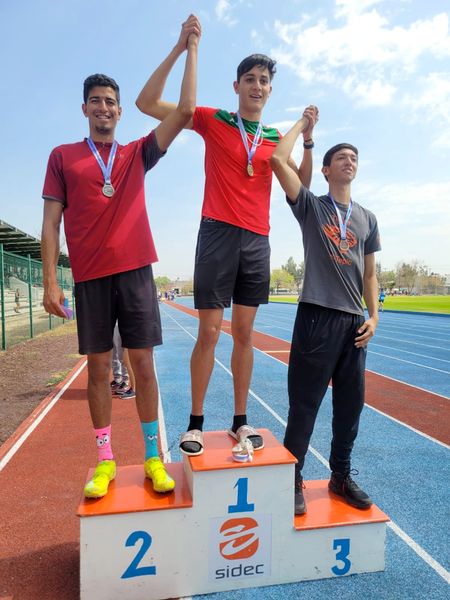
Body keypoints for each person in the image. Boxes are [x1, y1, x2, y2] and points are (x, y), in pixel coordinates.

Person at [136, 17, 314, 456]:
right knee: (210, 333)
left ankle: (240, 421)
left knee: (246, 334)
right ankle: (195, 423)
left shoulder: (275, 138)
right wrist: (183, 47)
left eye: (264, 81)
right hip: (217, 233)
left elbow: (302, 186)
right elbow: (146, 102)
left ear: (270, 90)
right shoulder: (214, 119)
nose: (257, 86)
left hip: (257, 239)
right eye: (250, 79)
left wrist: (307, 142)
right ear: (236, 86)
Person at [41, 17, 200, 498]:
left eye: (112, 101)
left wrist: (184, 48)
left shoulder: (136, 154)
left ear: (118, 111)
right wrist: (51, 281)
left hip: (134, 273)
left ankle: (153, 457)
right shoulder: (63, 156)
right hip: (89, 278)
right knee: (97, 369)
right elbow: (50, 223)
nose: (105, 107)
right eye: (97, 101)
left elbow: (187, 110)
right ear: (85, 108)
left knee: (143, 367)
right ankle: (106, 460)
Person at [270, 110, 381, 515]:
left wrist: (375, 316)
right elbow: (277, 161)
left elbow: (371, 273)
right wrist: (305, 130)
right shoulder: (312, 207)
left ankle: (340, 475)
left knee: (350, 406)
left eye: (354, 157)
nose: (350, 160)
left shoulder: (367, 218)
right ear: (327, 169)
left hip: (355, 324)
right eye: (342, 157)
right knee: (305, 404)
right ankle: (292, 476)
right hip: (317, 317)